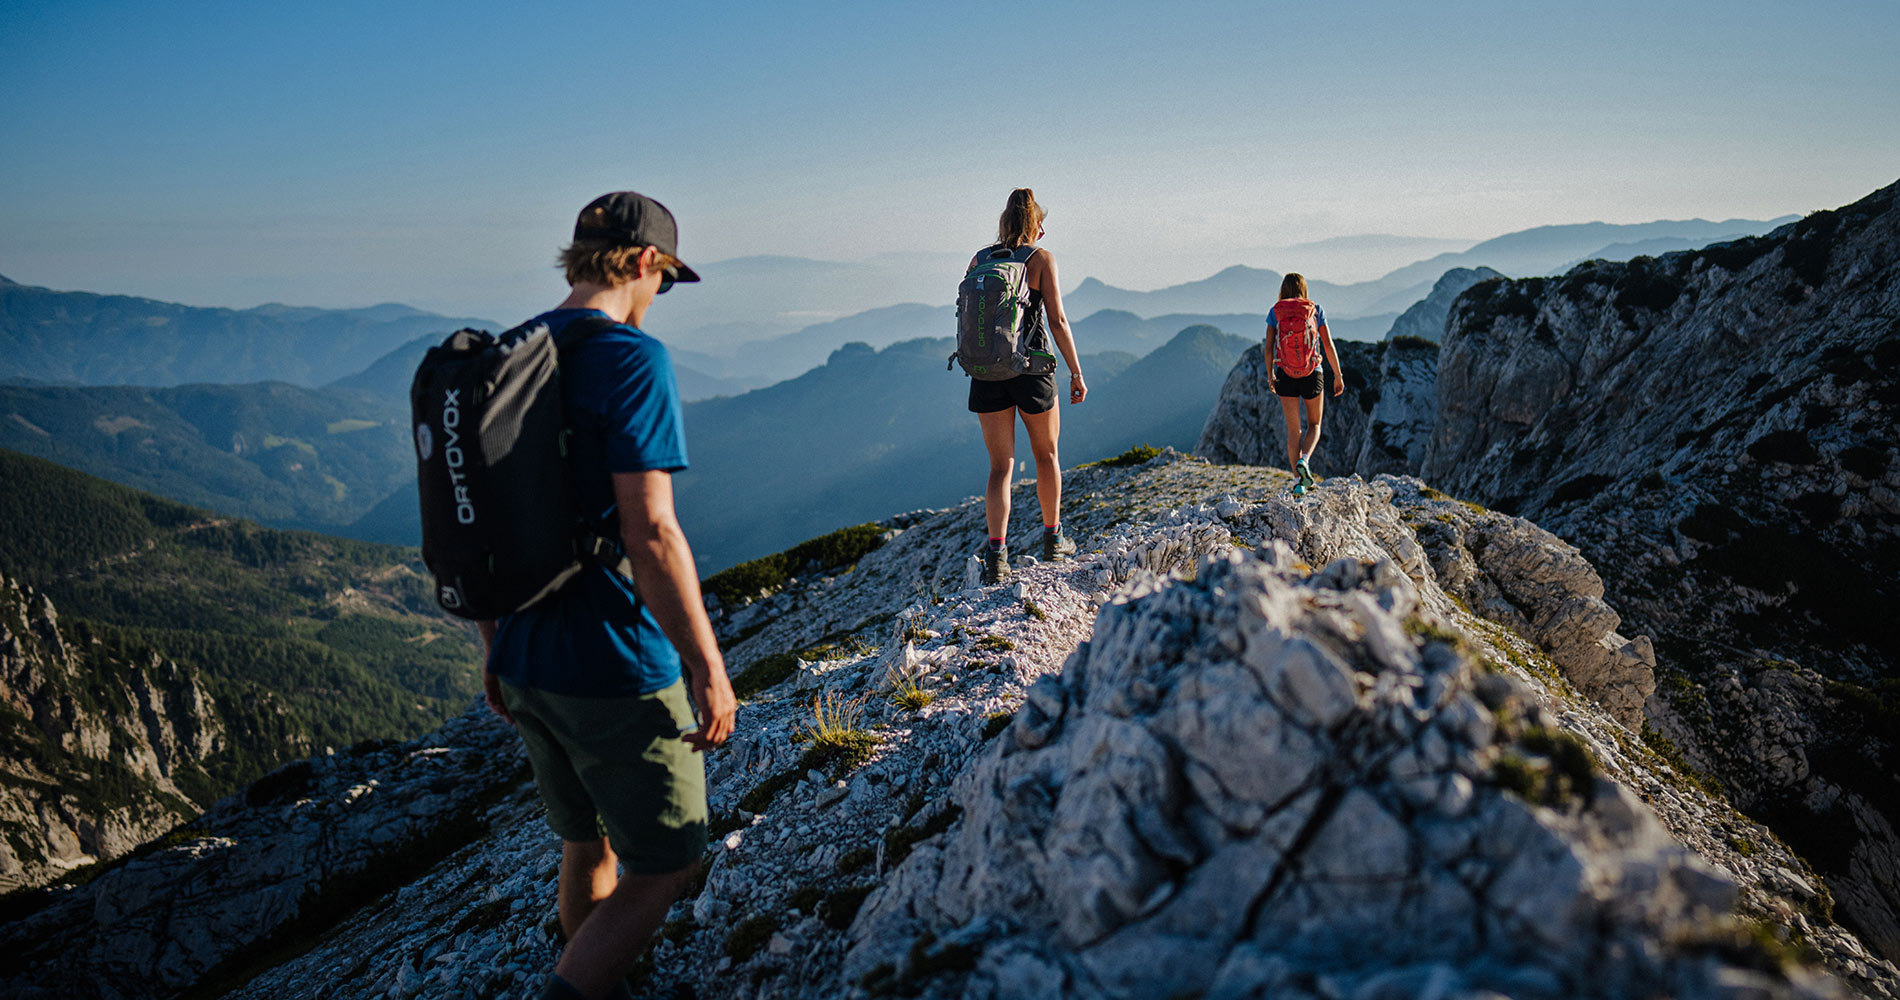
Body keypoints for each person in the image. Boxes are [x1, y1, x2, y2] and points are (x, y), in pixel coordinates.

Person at [478, 191, 737, 1000]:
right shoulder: (629, 359)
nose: (659, 297)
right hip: (609, 659)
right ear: (641, 262)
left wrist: (494, 651)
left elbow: (468, 528)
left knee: (585, 841)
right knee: (671, 858)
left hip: (522, 656)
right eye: (664, 278)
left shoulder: (502, 358)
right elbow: (651, 531)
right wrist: (706, 665)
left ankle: (600, 975)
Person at [967, 188, 1088, 584]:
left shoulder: (979, 260)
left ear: (1004, 221)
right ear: (1035, 224)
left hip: (986, 374)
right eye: (1042, 222)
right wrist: (1075, 371)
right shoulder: (1040, 259)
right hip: (1033, 371)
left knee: (1000, 467)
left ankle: (997, 557)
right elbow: (1057, 322)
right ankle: (1054, 541)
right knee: (1046, 455)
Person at [1265, 272, 1344, 496]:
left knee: (1293, 431)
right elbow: (1327, 344)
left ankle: (1299, 482)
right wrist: (1338, 375)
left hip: (1285, 375)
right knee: (1315, 425)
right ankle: (1305, 460)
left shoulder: (1275, 312)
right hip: (1312, 373)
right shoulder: (1316, 310)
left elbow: (1269, 348)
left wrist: (1271, 375)